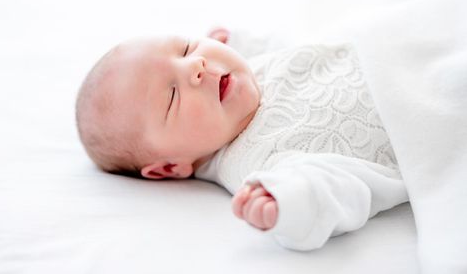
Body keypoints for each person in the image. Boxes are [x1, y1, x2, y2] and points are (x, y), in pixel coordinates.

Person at [75, 28, 408, 250]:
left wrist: (234, 39)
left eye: (185, 48)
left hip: (401, 43)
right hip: (421, 112)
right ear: (168, 168)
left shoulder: (250, 68)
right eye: (172, 96)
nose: (196, 66)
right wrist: (287, 203)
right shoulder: (255, 163)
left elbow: (286, 41)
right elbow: (335, 190)